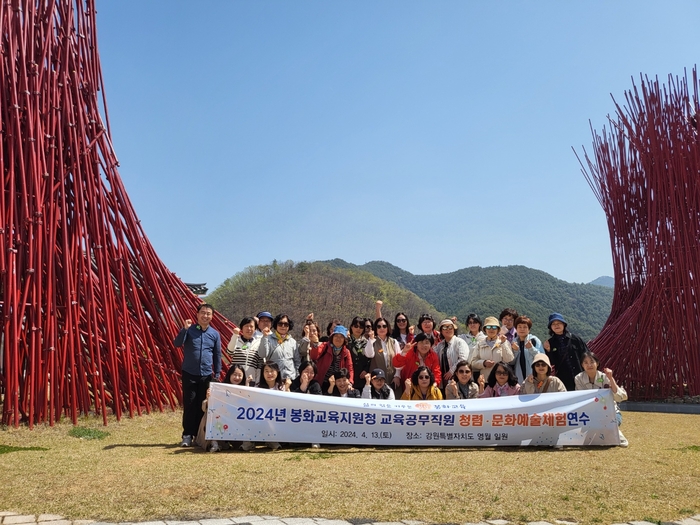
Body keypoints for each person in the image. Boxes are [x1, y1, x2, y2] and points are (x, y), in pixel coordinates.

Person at [173, 303, 222, 447]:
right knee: (189, 405)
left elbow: (217, 355)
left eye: (208, 313)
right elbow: (177, 343)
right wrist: (184, 329)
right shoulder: (189, 330)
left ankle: (200, 435)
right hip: (189, 373)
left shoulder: (214, 334)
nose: (205, 316)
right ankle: (187, 435)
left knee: (204, 406)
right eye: (203, 313)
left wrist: (217, 374)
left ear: (212, 316)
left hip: (206, 375)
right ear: (197, 314)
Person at [575, 351, 628, 446]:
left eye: (592, 362)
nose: (589, 365)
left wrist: (611, 378)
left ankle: (617, 435)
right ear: (582, 365)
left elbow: (619, 397)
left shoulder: (604, 377)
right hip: (589, 414)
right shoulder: (578, 378)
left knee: (608, 424)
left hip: (611, 413)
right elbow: (581, 398)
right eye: (585, 363)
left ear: (597, 363)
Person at [196, 364, 247, 452]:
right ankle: (213, 442)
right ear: (229, 375)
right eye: (234, 374)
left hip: (235, 423)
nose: (237, 377)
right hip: (220, 420)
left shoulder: (245, 390)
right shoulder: (219, 388)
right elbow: (204, 407)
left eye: (239, 375)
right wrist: (209, 399)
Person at [543, 313, 588, 391]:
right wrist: (548, 351)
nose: (556, 325)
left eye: (559, 323)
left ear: (564, 324)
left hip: (581, 375)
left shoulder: (575, 339)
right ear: (550, 327)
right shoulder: (550, 343)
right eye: (553, 324)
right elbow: (551, 363)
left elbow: (586, 354)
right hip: (564, 379)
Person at [470, 316, 514, 384]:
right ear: (485, 329)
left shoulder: (504, 342)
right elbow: (473, 363)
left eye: (494, 327)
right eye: (488, 327)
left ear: (498, 330)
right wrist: (483, 363)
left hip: (501, 382)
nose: (491, 329)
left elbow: (509, 359)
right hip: (485, 381)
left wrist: (503, 343)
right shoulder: (480, 344)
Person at [310, 326, 354, 392]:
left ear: (344, 340)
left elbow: (350, 368)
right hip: (321, 382)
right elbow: (314, 356)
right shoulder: (325, 346)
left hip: (337, 384)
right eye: (336, 336)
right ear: (332, 337)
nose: (338, 339)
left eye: (341, 337)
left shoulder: (346, 352)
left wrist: (350, 382)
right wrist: (316, 344)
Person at [258, 313, 300, 381]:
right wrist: (264, 337)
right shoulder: (268, 338)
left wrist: (297, 376)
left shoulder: (293, 342)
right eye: (280, 324)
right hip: (275, 379)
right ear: (276, 325)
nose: (283, 326)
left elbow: (297, 361)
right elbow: (262, 354)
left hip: (291, 379)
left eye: (286, 324)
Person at [364, 318, 402, 391]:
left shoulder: (394, 342)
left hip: (393, 380)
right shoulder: (372, 341)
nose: (382, 328)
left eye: (384, 326)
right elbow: (369, 355)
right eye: (379, 326)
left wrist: (397, 376)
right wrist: (371, 340)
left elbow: (399, 360)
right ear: (375, 328)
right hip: (377, 381)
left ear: (388, 328)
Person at [226, 316, 263, 385]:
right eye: (246, 326)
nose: (249, 328)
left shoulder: (258, 343)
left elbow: (259, 365)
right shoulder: (236, 340)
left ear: (255, 329)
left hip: (251, 379)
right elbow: (229, 352)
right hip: (236, 379)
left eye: (251, 326)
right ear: (241, 328)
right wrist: (235, 335)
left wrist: (257, 381)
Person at [434, 319, 470, 389]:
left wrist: (452, 371)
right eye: (444, 327)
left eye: (450, 327)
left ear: (454, 329)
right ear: (441, 331)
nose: (448, 329)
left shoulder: (459, 342)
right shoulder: (440, 345)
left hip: (457, 378)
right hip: (444, 379)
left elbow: (463, 358)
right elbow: (434, 356)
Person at [509, 315, 544, 383]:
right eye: (519, 327)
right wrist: (515, 351)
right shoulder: (514, 342)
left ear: (529, 329)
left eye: (525, 327)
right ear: (516, 329)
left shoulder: (534, 340)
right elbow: (511, 362)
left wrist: (531, 348)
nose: (522, 329)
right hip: (519, 377)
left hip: (534, 377)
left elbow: (542, 358)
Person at [347, 316, 371, 388]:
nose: (358, 329)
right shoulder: (346, 341)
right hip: (349, 377)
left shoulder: (367, 342)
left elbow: (370, 359)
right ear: (351, 327)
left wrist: (366, 370)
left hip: (362, 378)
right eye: (356, 326)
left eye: (361, 327)